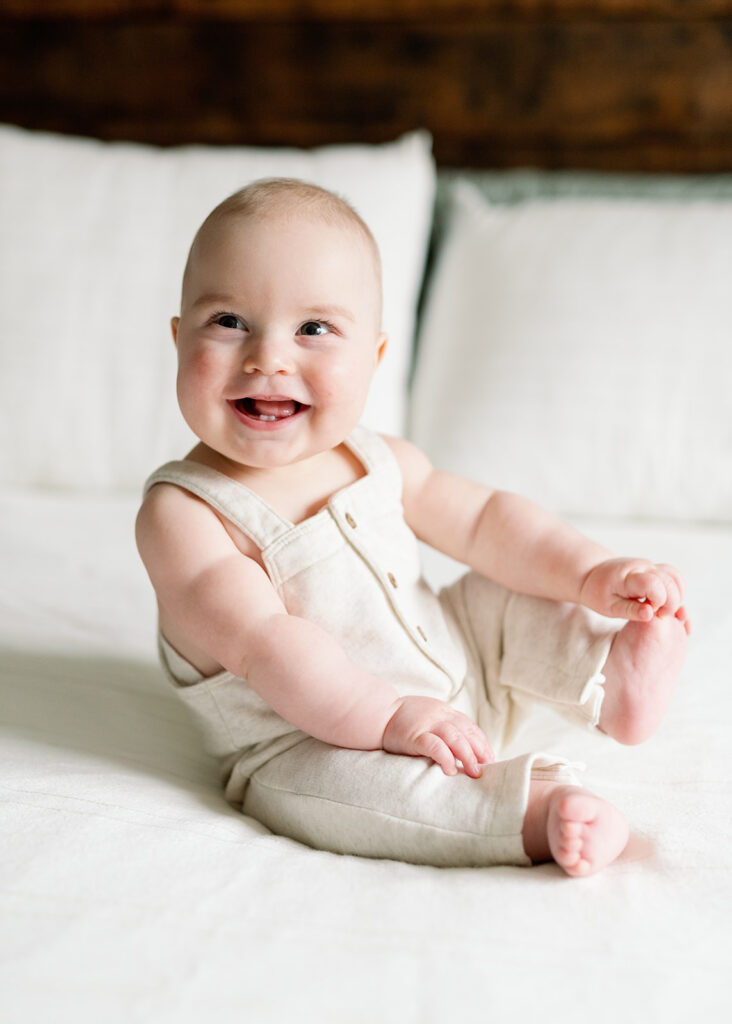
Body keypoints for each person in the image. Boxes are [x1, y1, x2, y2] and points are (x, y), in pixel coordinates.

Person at [136, 178, 690, 878]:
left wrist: (591, 574)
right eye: (228, 321)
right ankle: (533, 811)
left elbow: (489, 521)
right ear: (180, 339)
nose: (268, 358)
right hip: (312, 735)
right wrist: (392, 719)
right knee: (344, 797)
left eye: (313, 328)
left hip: (458, 669)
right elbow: (267, 645)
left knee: (499, 596)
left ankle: (610, 675)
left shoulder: (377, 458)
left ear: (372, 357)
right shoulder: (185, 514)